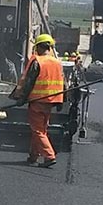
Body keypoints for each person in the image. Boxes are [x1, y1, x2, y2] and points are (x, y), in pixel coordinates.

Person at [10, 33, 64, 168]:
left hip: (38, 102)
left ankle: (49, 156)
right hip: (51, 102)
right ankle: (33, 156)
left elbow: (29, 83)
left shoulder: (38, 61)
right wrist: (61, 102)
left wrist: (22, 98)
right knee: (40, 129)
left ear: (39, 47)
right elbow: (63, 83)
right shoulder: (57, 62)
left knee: (38, 131)